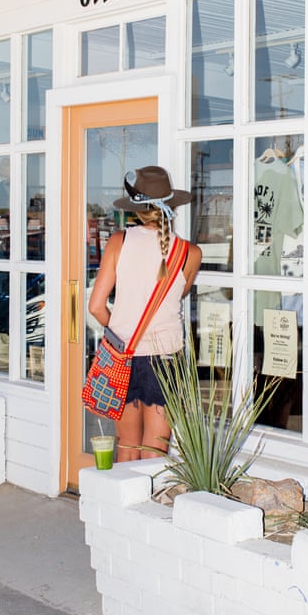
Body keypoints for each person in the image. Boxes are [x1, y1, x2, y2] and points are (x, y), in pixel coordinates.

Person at [88, 166, 202, 462]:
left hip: (124, 355)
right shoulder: (190, 253)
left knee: (127, 444)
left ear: (137, 209)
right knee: (156, 449)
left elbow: (96, 307)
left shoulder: (118, 242)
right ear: (170, 206)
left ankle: (120, 508)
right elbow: (179, 294)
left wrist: (121, 332)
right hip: (168, 359)